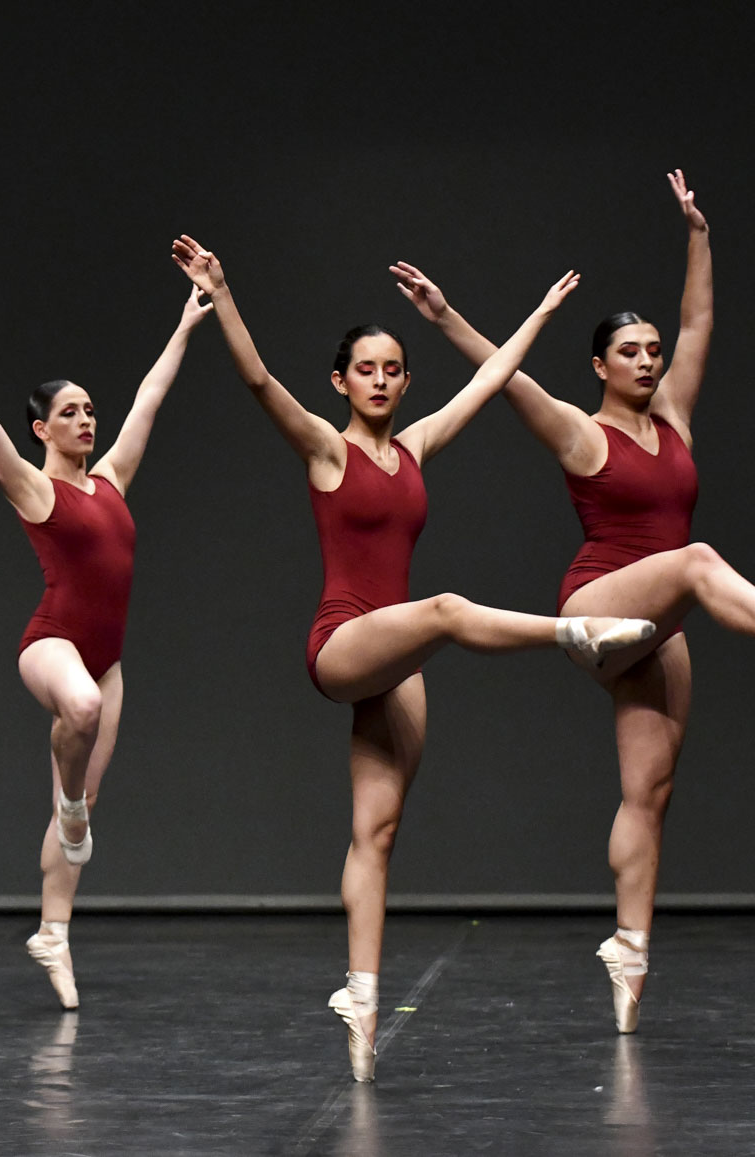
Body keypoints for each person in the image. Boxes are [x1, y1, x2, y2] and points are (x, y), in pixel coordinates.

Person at [389, 169, 755, 1035]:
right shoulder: (582, 432)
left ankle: (629, 950)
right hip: (601, 604)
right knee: (696, 560)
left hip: (662, 626)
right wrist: (443, 315)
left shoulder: (677, 415)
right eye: (631, 351)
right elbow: (506, 380)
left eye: (653, 350)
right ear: (599, 365)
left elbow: (700, 321)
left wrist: (698, 236)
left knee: (649, 790)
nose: (650, 359)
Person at [171, 235, 654, 1082]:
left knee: (378, 831)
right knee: (447, 610)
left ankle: (360, 997)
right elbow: (258, 380)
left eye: (393, 369)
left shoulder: (416, 447)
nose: (381, 380)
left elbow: (490, 382)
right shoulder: (327, 449)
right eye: (366, 369)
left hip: (397, 662)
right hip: (343, 641)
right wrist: (223, 291)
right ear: (340, 381)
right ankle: (572, 633)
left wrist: (539, 315)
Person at [0, 286, 212, 1010]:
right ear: (40, 428)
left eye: (90, 409)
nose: (86, 419)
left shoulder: (113, 480)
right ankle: (66, 802)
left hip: (108, 659)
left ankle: (53, 932)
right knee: (80, 716)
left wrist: (186, 324)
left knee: (85, 809)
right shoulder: (34, 491)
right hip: (52, 643)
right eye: (70, 412)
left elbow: (151, 395)